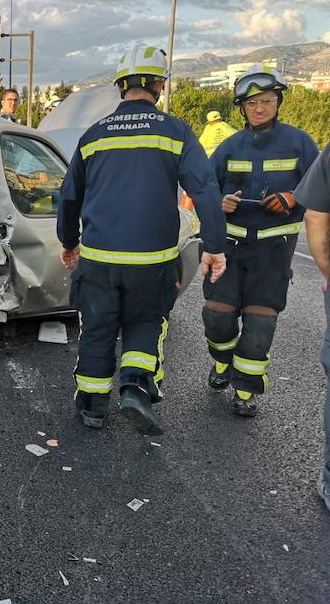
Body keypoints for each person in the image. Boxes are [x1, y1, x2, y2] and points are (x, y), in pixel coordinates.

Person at [57, 42, 227, 434]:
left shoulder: (94, 135)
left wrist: (69, 242)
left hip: (99, 258)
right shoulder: (176, 131)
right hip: (152, 260)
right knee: (145, 322)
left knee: (98, 327)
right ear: (159, 87)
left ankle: (93, 407)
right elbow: (204, 191)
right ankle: (135, 387)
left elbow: (68, 196)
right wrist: (214, 247)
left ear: (120, 87)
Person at [201, 65, 319, 416]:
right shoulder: (229, 146)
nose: (259, 108)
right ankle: (223, 364)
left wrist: (292, 199)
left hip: (273, 253)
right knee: (217, 318)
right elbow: (205, 189)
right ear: (241, 108)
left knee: (260, 324)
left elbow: (321, 187)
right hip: (229, 250)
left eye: (266, 100)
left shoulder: (300, 142)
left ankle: (246, 390)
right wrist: (220, 202)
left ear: (278, 101)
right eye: (251, 102)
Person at [293, 137, 330, 515]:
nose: (258, 107)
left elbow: (315, 215)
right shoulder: (230, 144)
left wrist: (328, 271)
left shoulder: (312, 146)